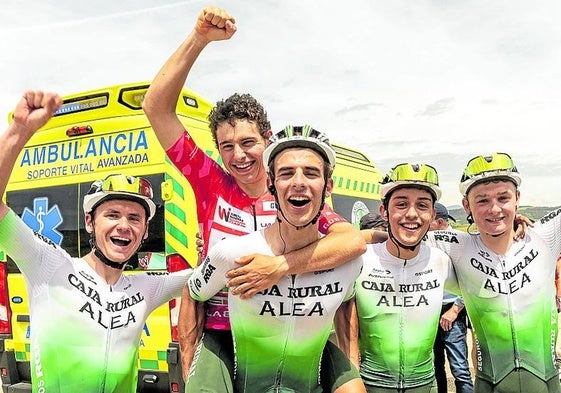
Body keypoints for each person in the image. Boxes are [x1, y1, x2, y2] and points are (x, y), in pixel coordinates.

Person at [143, 6, 367, 393]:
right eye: (226, 146)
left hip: (288, 329)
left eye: (248, 143)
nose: (239, 156)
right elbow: (156, 107)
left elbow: (351, 240)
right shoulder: (209, 181)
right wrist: (198, 39)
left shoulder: (289, 190)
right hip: (222, 329)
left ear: (267, 140)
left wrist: (279, 267)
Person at [0, 91, 193, 392]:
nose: (124, 226)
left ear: (144, 232)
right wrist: (18, 131)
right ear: (90, 221)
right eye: (112, 214)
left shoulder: (147, 288)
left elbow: (220, 270)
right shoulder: (48, 265)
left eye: (134, 218)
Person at [187, 125, 365, 392]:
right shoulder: (234, 253)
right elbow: (192, 294)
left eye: (311, 173)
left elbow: (347, 305)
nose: (298, 182)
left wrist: (350, 370)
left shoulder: (347, 262)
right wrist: (192, 370)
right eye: (286, 173)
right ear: (271, 184)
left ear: (328, 186)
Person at [420, 153, 561, 393]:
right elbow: (397, 237)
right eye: (482, 201)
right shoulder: (458, 246)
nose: (494, 209)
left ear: (517, 198)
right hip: (490, 383)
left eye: (503, 198)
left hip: (546, 382)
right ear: (467, 206)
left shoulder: (544, 236)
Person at [338, 163, 457, 392]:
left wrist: (515, 230)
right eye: (401, 204)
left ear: (432, 214)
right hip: (371, 385)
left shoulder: (440, 260)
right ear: (384, 211)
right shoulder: (361, 259)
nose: (411, 214)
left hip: (425, 386)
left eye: (422, 205)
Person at [430, 203, 474, 393]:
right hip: (431, 311)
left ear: (439, 222)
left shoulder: (460, 243)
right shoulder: (427, 242)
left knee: (459, 369)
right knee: (435, 367)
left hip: (452, 311)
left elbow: (473, 281)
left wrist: (455, 310)